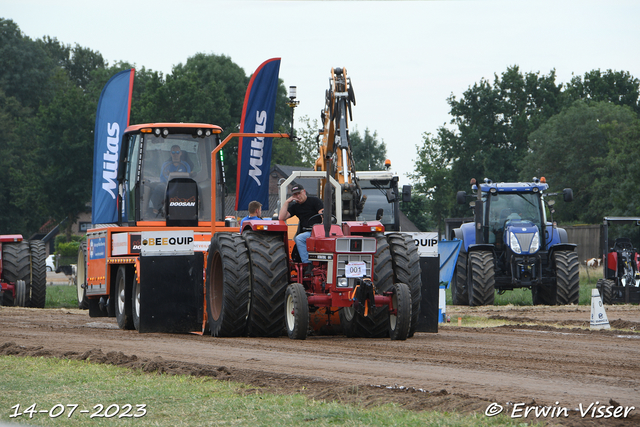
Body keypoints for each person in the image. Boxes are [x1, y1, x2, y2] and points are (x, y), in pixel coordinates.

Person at [278, 184, 323, 271]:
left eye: (299, 193)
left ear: (304, 192)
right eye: (295, 194)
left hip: (318, 231)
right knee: (299, 238)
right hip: (307, 232)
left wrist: (322, 226)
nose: (298, 196)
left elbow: (323, 214)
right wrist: (287, 202)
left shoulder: (315, 201)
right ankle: (307, 265)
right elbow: (281, 217)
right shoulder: (295, 207)